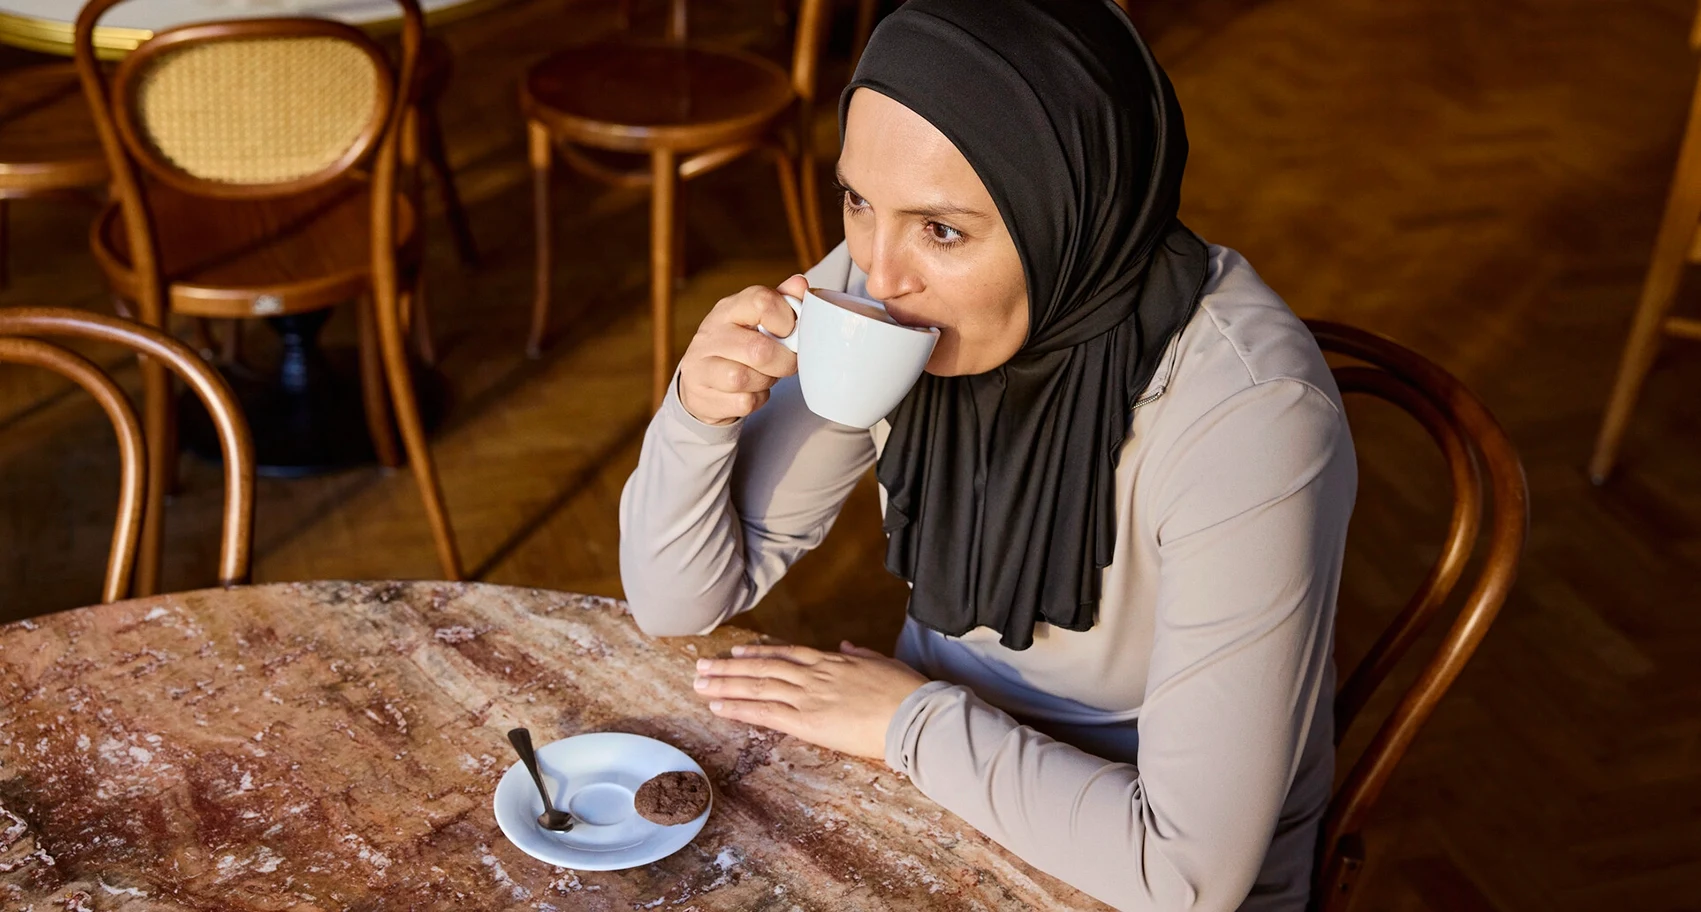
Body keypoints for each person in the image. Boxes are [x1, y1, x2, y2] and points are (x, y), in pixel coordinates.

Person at [618, 0, 1356, 908]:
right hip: (929, 777)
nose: (878, 272)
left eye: (942, 230)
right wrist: (696, 413)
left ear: (1070, 211)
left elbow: (1185, 874)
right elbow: (675, 600)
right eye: (856, 199)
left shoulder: (1253, 421)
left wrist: (906, 720)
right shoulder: (883, 293)